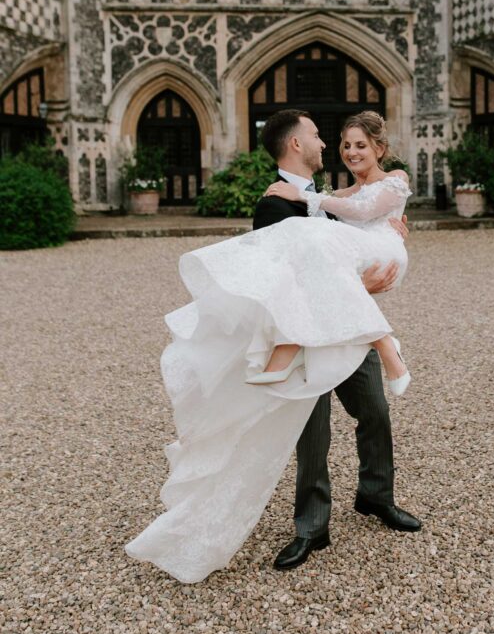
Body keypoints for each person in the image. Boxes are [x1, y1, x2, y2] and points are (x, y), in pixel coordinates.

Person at [125, 109, 421, 583]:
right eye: (319, 136)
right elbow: (275, 284)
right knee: (313, 431)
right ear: (296, 145)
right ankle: (311, 526)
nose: (330, 145)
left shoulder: (326, 197)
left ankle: (376, 497)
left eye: (344, 142)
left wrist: (389, 233)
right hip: (305, 334)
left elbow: (364, 224)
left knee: (375, 412)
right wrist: (358, 285)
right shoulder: (273, 205)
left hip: (349, 326)